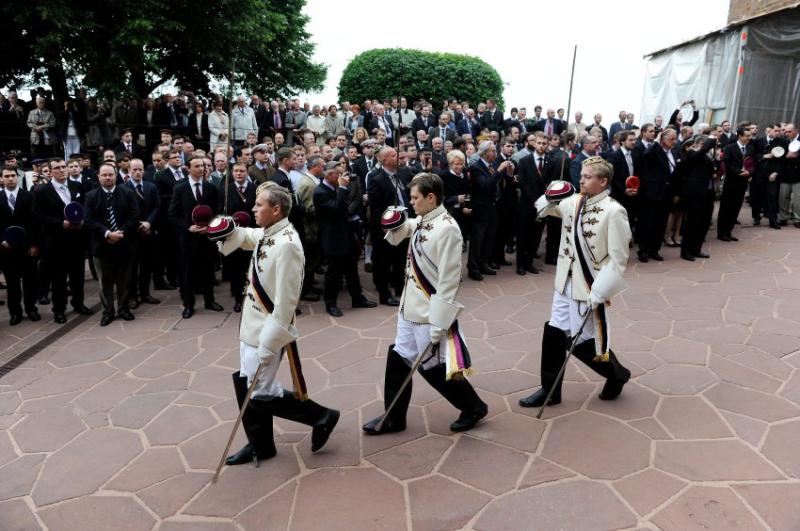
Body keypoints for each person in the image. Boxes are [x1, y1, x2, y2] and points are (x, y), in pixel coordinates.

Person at [217, 182, 340, 465]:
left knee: (259, 391)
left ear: (276, 209)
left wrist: (269, 343)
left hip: (266, 332)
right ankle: (261, 443)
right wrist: (227, 229)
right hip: (251, 326)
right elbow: (249, 236)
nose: (253, 208)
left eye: (259, 205)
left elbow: (286, 303)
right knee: (251, 385)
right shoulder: (270, 232)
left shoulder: (288, 246)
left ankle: (320, 416)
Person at [363, 172, 488, 435]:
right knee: (399, 356)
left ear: (431, 198)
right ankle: (394, 417)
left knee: (431, 366)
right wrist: (394, 218)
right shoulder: (422, 219)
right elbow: (403, 230)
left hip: (429, 312)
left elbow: (449, 280)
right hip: (409, 307)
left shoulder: (448, 228)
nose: (411, 202)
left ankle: (474, 406)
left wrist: (439, 322)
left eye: (415, 197)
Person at [519, 156, 631, 408]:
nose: (581, 180)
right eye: (581, 175)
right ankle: (550, 389)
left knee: (581, 342)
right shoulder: (574, 201)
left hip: (589, 286)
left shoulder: (614, 211)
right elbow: (544, 210)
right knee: (555, 331)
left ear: (603, 181)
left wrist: (600, 290)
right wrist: (551, 194)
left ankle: (617, 374)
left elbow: (618, 259)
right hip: (564, 281)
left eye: (588, 177)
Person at [32, 159, 93, 323]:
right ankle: (59, 309)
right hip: (56, 242)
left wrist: (82, 221)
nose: (61, 170)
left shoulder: (76, 187)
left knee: (78, 276)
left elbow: (84, 208)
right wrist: (60, 223)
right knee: (58, 278)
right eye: (57, 168)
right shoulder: (41, 190)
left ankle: (78, 304)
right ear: (50, 171)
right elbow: (37, 215)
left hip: (77, 240)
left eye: (63, 167)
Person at [313, 161, 377, 317]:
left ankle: (357, 298)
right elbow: (335, 208)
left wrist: (341, 189)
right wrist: (342, 188)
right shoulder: (320, 192)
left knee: (351, 269)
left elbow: (344, 207)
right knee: (334, 272)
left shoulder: (335, 188)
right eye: (338, 174)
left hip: (346, 234)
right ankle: (331, 303)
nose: (342, 177)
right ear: (329, 175)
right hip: (332, 238)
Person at [84, 163, 140, 326]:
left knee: (124, 280)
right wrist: (107, 233)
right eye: (104, 175)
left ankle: (123, 308)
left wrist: (120, 233)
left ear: (116, 176)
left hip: (124, 244)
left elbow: (134, 215)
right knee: (105, 282)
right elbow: (88, 220)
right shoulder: (91, 196)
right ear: (99, 177)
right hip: (102, 246)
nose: (108, 178)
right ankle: (108, 311)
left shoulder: (128, 193)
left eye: (111, 174)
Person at [169, 156, 223, 318]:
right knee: (187, 273)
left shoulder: (210, 188)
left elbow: (217, 209)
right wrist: (188, 227)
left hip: (207, 238)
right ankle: (189, 305)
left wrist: (210, 226)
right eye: (197, 166)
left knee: (208, 271)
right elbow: (173, 213)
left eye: (203, 166)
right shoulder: (180, 188)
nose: (202, 168)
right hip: (188, 239)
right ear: (188, 168)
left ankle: (210, 301)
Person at [368, 147, 409, 305]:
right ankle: (384, 295)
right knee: (384, 263)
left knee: (400, 260)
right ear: (383, 160)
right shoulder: (377, 180)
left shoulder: (401, 175)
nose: (398, 156)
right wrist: (388, 227)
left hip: (404, 226)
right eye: (393, 155)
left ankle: (400, 289)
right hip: (387, 230)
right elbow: (377, 210)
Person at [0, 167, 40, 325]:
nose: (10, 178)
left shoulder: (29, 196)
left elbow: (35, 223)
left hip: (27, 248)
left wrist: (35, 244)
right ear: (2, 178)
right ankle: (15, 312)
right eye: (7, 176)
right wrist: (1, 241)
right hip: (6, 249)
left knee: (30, 281)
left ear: (17, 177)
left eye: (13, 175)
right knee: (12, 283)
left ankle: (31, 309)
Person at [218, 162, 257, 312]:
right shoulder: (225, 190)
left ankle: (254, 296)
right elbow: (219, 212)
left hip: (251, 234)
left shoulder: (256, 189)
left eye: (241, 171)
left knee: (252, 267)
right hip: (233, 236)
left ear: (247, 172)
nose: (238, 173)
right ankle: (238, 298)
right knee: (236, 269)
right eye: (235, 171)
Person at [637, 129, 678, 262]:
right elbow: (646, 155)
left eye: (675, 139)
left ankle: (654, 249)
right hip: (652, 193)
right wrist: (656, 142)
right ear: (663, 139)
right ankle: (643, 250)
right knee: (648, 222)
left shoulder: (674, 152)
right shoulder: (655, 150)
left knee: (660, 223)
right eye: (671, 139)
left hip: (667, 193)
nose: (674, 142)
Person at [126, 158, 161, 308]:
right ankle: (132, 295)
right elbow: (123, 210)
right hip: (132, 234)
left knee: (147, 265)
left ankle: (145, 293)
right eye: (134, 169)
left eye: (140, 169)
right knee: (132, 267)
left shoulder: (151, 187)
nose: (138, 172)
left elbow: (157, 206)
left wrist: (149, 222)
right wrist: (136, 224)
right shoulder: (123, 188)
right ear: (129, 171)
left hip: (148, 231)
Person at [516, 132, 551, 275]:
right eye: (539, 143)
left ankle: (529, 262)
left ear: (547, 145)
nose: (541, 146)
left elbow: (551, 184)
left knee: (536, 236)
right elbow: (522, 183)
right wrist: (535, 200)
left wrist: (544, 200)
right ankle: (520, 264)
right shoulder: (524, 161)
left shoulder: (551, 162)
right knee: (523, 235)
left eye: (544, 143)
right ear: (534, 143)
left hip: (543, 206)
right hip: (527, 204)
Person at [679, 135, 717, 260]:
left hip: (708, 193)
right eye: (707, 145)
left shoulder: (706, 155)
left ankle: (696, 249)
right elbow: (696, 156)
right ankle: (686, 251)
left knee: (704, 222)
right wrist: (709, 143)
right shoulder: (691, 153)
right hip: (695, 195)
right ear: (701, 143)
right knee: (692, 223)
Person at [717, 126, 753, 242]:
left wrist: (749, 172)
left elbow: (753, 163)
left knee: (736, 207)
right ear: (740, 136)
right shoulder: (730, 148)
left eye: (750, 135)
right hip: (731, 182)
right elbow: (727, 164)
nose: (749, 138)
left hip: (743, 183)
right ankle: (722, 232)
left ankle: (729, 231)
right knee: (726, 207)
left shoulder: (750, 148)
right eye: (747, 136)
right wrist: (739, 172)